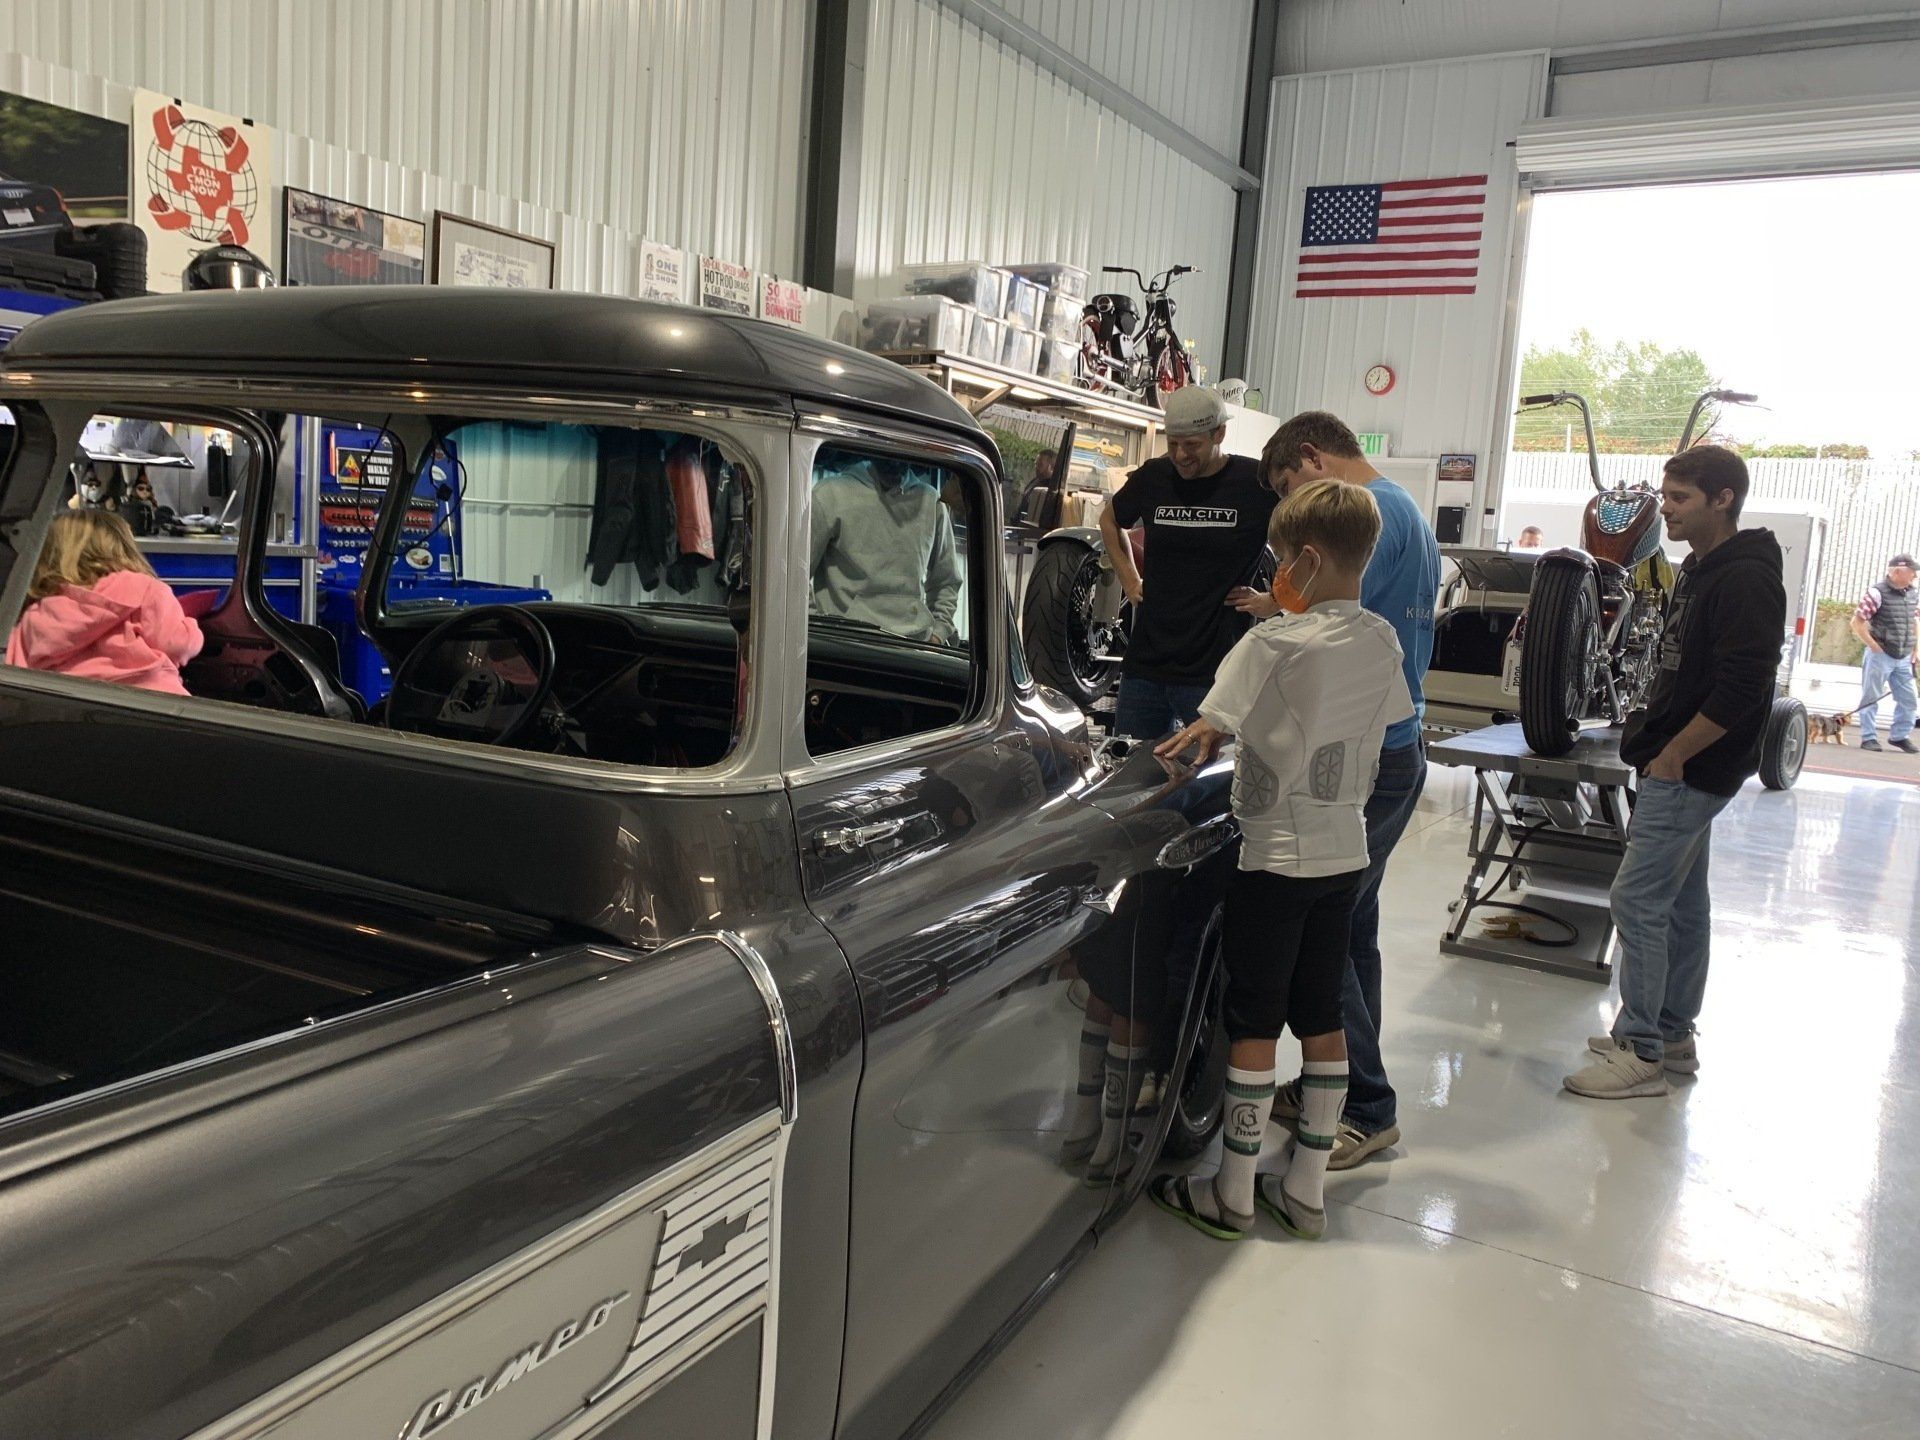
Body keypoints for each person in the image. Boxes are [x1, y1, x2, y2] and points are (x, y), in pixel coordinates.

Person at [1147, 479, 1411, 1240]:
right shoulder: (1382, 639)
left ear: (1305, 558)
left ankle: (1230, 1190)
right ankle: (1306, 1191)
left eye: (1278, 566)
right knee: (1322, 1011)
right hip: (1343, 855)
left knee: (1254, 1016)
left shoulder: (1269, 642)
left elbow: (1205, 729)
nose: (1273, 580)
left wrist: (1183, 744)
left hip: (1272, 858)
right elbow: (1381, 719)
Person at [1564, 446, 1785, 1098]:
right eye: (1666, 495)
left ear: (1723, 499)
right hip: (1684, 758)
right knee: (1685, 903)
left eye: (1681, 497)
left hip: (1692, 766)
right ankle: (1674, 1032)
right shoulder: (1702, 567)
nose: (1667, 508)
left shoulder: (1744, 579)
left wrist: (1677, 752)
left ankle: (1641, 1051)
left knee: (1636, 899)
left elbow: (1746, 685)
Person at [1255, 411, 1439, 1168]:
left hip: (1365, 756)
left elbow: (1325, 624)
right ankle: (1332, 1079)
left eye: (1290, 489)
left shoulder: (1369, 515)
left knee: (1325, 934)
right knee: (1354, 930)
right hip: (1392, 744)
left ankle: (1365, 1104)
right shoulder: (1405, 512)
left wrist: (1276, 614)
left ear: (1310, 459)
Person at [1099, 386, 1275, 741]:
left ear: (1219, 434)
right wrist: (1131, 582)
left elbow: (1308, 545)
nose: (1180, 455)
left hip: (1217, 675)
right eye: (1173, 443)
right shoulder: (1154, 477)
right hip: (1146, 667)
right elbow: (1109, 521)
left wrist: (1274, 601)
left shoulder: (1255, 485)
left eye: (1192, 445)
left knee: (1211, 786)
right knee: (1129, 784)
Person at [5, 510, 203, 695]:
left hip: (68, 714)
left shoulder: (36, 613)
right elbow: (176, 643)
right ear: (124, 548)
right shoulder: (144, 589)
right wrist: (191, 628)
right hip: (153, 707)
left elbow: (16, 665)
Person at [809, 448, 963, 645]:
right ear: (871, 448)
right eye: (888, 453)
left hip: (912, 646)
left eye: (902, 454)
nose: (894, 462)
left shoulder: (931, 502)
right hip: (844, 647)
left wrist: (937, 634)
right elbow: (796, 571)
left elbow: (946, 581)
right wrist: (816, 628)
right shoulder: (830, 495)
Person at [1849, 552, 1917, 754]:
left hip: (1904, 655)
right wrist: (1872, 645)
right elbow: (1857, 622)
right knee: (1871, 695)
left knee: (1909, 699)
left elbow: (1914, 621)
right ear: (1897, 572)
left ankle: (1900, 736)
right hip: (1881, 654)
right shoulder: (1876, 593)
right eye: (1912, 572)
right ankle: (1868, 737)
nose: (1915, 576)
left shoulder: (1913, 593)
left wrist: (1916, 648)